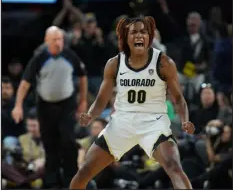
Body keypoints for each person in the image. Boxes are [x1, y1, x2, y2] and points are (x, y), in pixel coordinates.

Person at [70, 16, 195, 189]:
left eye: (143, 32)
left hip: (153, 123)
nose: (139, 36)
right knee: (84, 171)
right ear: (125, 37)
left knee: (174, 166)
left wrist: (184, 120)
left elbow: (179, 99)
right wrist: (90, 114)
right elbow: (101, 100)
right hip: (122, 123)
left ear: (149, 37)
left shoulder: (164, 63)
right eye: (133, 32)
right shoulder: (114, 64)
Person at [12, 26, 88, 188]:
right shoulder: (38, 59)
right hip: (45, 106)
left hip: (67, 105)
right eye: (54, 39)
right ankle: (51, 182)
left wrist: (83, 101)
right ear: (47, 41)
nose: (58, 42)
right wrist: (18, 105)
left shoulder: (70, 56)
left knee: (68, 141)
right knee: (49, 143)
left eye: (60, 39)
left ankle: (71, 180)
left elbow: (83, 77)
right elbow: (25, 83)